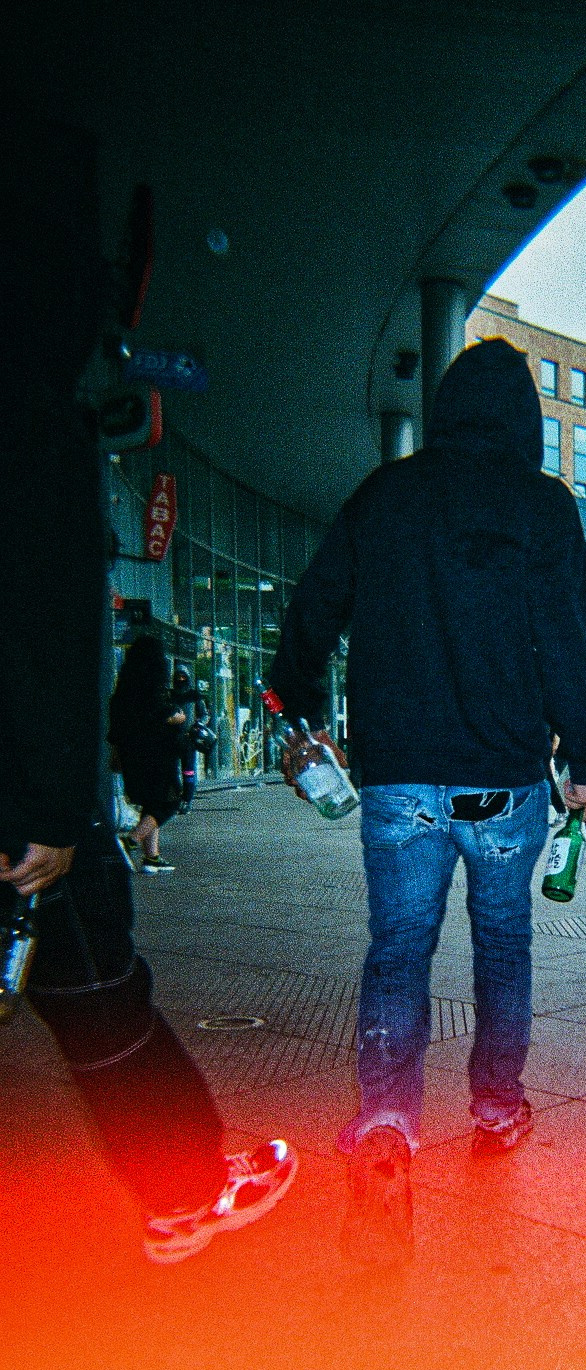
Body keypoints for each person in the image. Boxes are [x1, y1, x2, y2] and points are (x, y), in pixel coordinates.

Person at [0, 110, 296, 1263]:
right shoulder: (32, 431)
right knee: (95, 987)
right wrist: (47, 809)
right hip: (25, 801)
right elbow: (35, 632)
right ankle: (183, 1187)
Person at [270, 338, 586, 1232]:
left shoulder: (387, 493)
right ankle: (496, 1104)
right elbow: (570, 637)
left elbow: (314, 606)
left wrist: (296, 698)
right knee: (503, 946)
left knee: (397, 948)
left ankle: (384, 1120)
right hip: (504, 777)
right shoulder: (543, 506)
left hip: (402, 777)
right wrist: (583, 758)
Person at [108, 636, 185, 873]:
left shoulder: (122, 694)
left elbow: (116, 730)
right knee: (169, 803)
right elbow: (167, 716)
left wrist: (116, 755)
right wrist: (178, 716)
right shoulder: (154, 691)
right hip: (158, 757)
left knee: (150, 805)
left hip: (132, 757)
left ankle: (152, 857)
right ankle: (130, 840)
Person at [171, 664, 210, 813]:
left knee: (188, 772)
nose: (180, 679)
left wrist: (198, 725)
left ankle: (187, 800)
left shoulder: (194, 695)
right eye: (178, 676)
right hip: (172, 739)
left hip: (188, 739)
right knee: (173, 772)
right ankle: (176, 798)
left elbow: (205, 714)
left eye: (183, 676)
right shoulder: (170, 695)